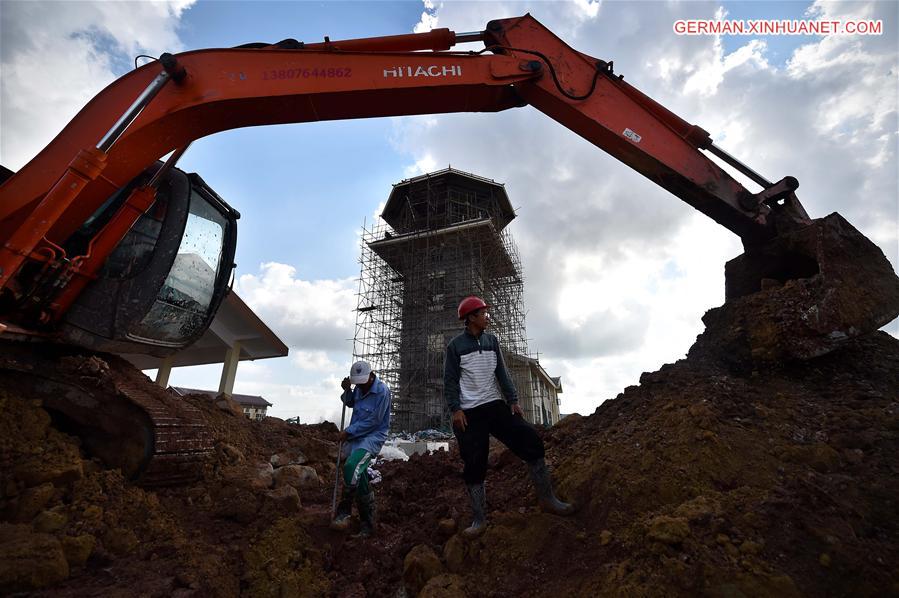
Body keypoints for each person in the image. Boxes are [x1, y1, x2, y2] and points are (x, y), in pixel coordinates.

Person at [444, 296, 574, 539]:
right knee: (474, 462)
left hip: (495, 405)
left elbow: (502, 373)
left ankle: (547, 499)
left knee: (530, 440)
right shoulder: (456, 346)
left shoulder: (492, 342)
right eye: (483, 313)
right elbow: (450, 380)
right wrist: (456, 409)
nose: (487, 317)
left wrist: (513, 401)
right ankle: (479, 518)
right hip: (470, 413)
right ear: (471, 318)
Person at [330, 360, 391, 537]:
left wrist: (348, 432)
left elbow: (374, 421)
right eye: (357, 383)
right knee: (359, 475)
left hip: (372, 437)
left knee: (351, 466)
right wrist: (347, 390)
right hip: (356, 437)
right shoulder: (358, 388)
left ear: (371, 376)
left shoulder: (382, 392)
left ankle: (344, 510)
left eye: (363, 383)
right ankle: (368, 523)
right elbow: (350, 403)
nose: (361, 386)